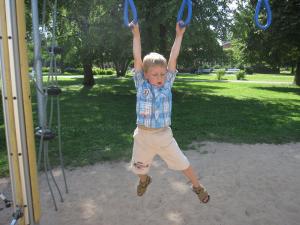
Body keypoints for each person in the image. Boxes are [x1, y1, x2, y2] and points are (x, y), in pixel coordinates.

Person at [130, 21, 210, 203]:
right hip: (142, 136)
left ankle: (197, 187)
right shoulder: (141, 83)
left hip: (164, 136)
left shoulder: (167, 84)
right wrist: (136, 35)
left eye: (162, 73)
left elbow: (173, 58)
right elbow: (136, 57)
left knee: (183, 163)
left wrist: (179, 35)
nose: (160, 78)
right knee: (140, 169)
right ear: (145, 74)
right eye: (155, 74)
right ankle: (145, 181)